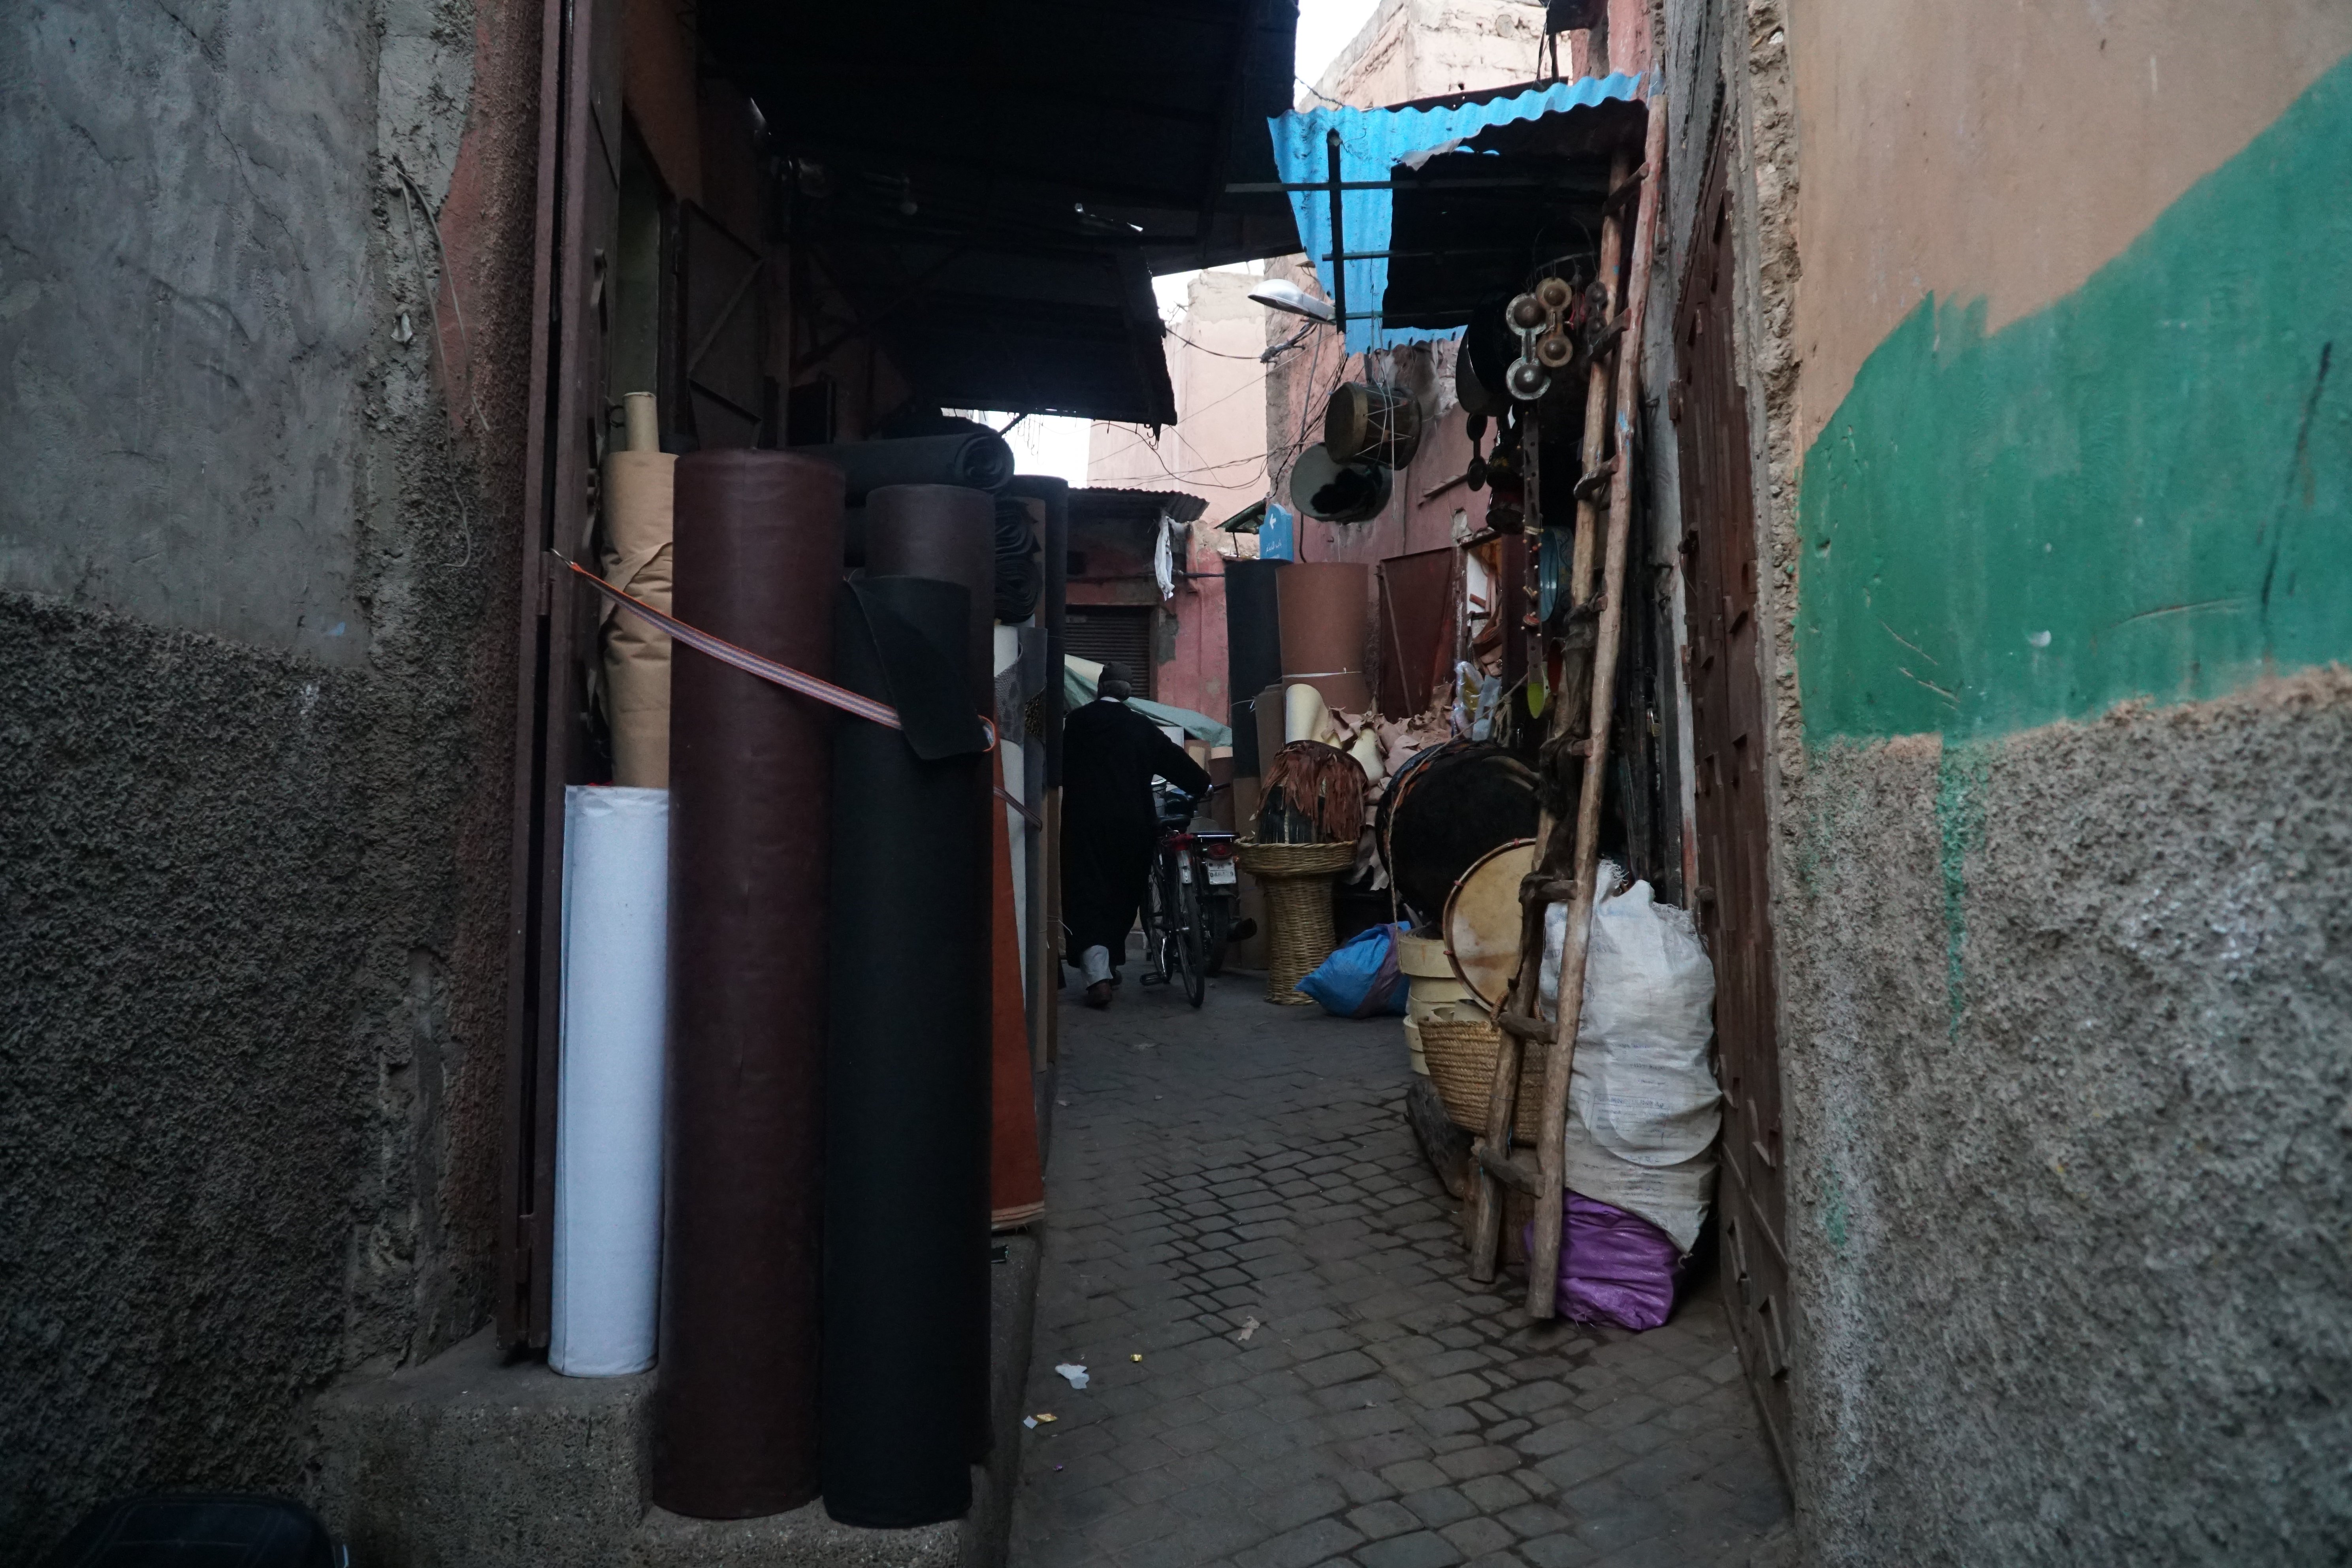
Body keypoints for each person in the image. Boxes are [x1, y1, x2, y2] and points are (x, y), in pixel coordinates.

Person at [1060, 661, 1211, 1008]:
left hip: (1084, 822)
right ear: (1128, 693)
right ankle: (1107, 962)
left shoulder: (1078, 723)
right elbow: (1175, 762)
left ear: (1100, 688)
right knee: (1123, 891)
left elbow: (1055, 765)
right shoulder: (1139, 726)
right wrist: (1203, 784)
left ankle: (1098, 975)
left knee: (1086, 888)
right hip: (1132, 824)